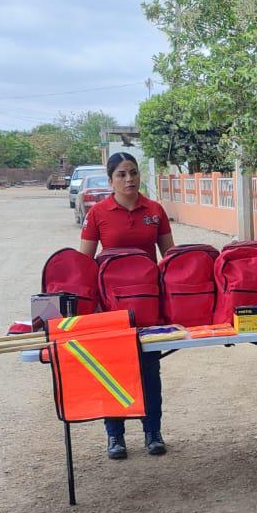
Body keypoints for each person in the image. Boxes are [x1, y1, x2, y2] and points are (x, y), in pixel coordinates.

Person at [78, 152, 174, 460]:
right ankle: (115, 437)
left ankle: (152, 432)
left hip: (148, 303)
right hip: (111, 305)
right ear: (111, 181)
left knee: (149, 369)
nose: (129, 179)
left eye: (133, 172)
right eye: (121, 174)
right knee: (113, 369)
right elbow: (84, 264)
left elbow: (170, 259)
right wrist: (91, 307)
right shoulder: (98, 214)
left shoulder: (155, 210)